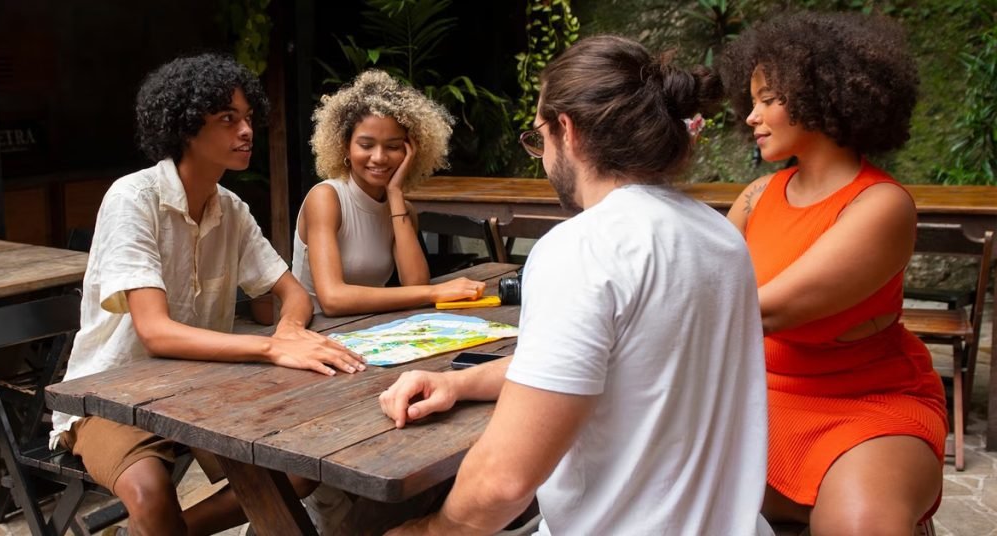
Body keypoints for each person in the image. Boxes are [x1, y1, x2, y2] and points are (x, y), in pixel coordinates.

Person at [378, 35, 772, 535]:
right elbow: (605, 363)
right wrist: (457, 382)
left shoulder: (583, 247)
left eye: (538, 136)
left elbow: (504, 479)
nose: (539, 155)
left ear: (568, 130)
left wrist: (430, 531)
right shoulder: (718, 236)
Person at [49, 53, 366, 536]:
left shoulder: (231, 209)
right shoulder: (133, 200)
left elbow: (293, 293)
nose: (246, 132)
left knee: (301, 468)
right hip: (109, 395)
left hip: (202, 395)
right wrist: (271, 347)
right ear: (185, 128)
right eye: (227, 120)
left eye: (248, 118)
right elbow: (155, 332)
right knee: (153, 495)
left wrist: (289, 329)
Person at [719, 11, 947, 534]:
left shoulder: (880, 205)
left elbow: (758, 311)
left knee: (859, 522)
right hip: (758, 398)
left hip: (865, 408)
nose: (751, 116)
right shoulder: (756, 197)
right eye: (750, 100)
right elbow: (701, 283)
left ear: (821, 95)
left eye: (767, 99)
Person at [293, 70, 485, 316]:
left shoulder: (402, 210)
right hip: (314, 332)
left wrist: (395, 194)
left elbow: (415, 285)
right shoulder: (326, 198)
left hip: (368, 330)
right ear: (345, 147)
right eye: (366, 145)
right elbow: (332, 299)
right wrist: (434, 293)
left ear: (411, 150)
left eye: (393, 147)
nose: (379, 157)